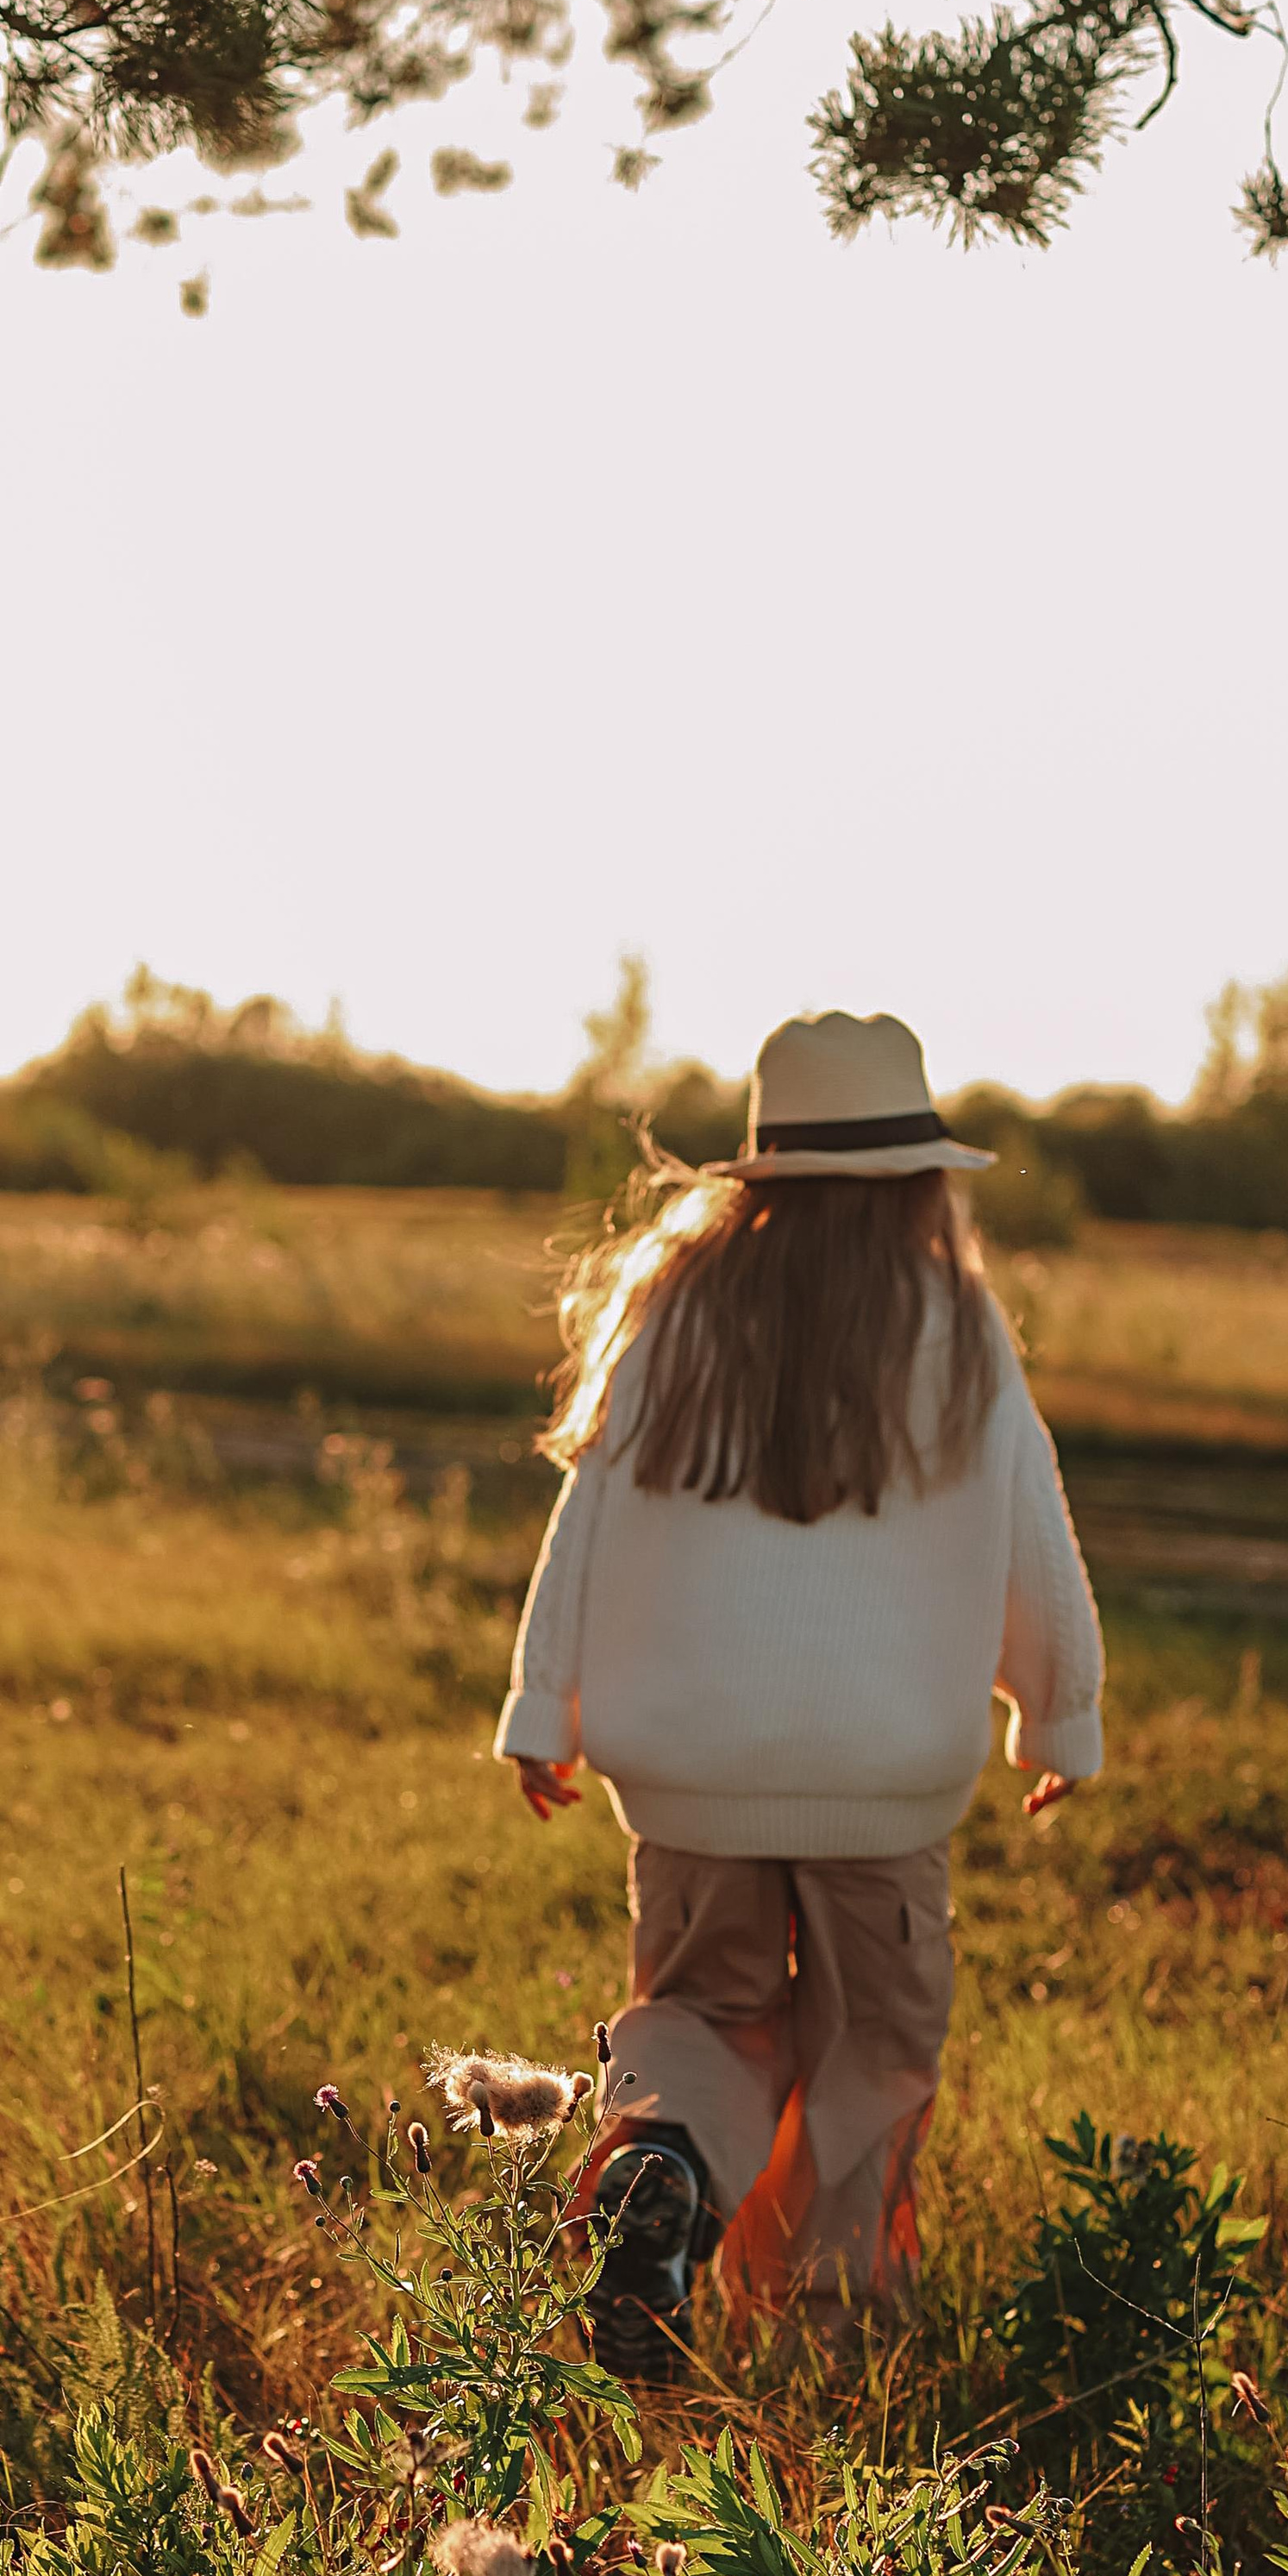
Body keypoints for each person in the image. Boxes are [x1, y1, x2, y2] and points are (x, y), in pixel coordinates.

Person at [497, 1009, 1103, 2378]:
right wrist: (1059, 1709)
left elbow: (589, 1509)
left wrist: (547, 1706)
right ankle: (832, 2345)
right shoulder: (954, 1322)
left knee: (703, 2018)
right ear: (921, 1180)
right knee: (869, 2057)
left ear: (761, 1171)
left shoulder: (676, 1311)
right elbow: (1030, 1525)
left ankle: (659, 2165)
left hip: (693, 1776)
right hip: (885, 1785)